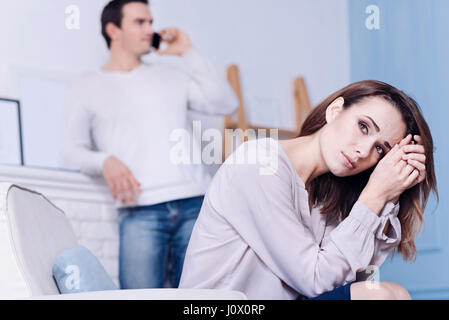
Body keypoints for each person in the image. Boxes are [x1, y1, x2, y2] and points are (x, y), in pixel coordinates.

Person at [179, 80, 438, 300]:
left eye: (380, 149)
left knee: (391, 292)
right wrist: (376, 195)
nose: (363, 150)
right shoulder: (259, 164)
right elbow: (316, 280)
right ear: (336, 110)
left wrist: (390, 194)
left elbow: (355, 275)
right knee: (381, 295)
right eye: (363, 126)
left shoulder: (327, 192)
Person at [62, 0, 238, 289]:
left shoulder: (170, 76)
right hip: (139, 209)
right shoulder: (85, 85)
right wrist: (105, 161)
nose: (150, 29)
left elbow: (226, 103)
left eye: (151, 22)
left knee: (203, 299)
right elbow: (70, 152)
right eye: (139, 22)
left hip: (196, 204)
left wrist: (188, 53)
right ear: (113, 30)